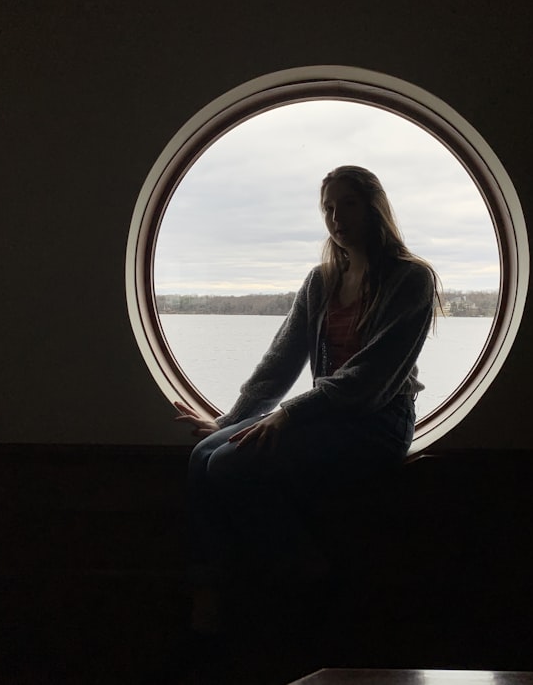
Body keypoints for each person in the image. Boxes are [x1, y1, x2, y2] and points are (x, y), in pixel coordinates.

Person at [173, 164, 442, 638]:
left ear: (374, 207)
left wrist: (288, 414)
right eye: (328, 208)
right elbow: (280, 360)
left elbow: (368, 381)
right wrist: (229, 421)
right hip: (327, 417)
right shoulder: (322, 280)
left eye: (348, 205)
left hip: (379, 423)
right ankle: (208, 591)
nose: (337, 217)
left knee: (229, 466)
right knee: (203, 455)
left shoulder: (411, 279)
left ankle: (305, 569)